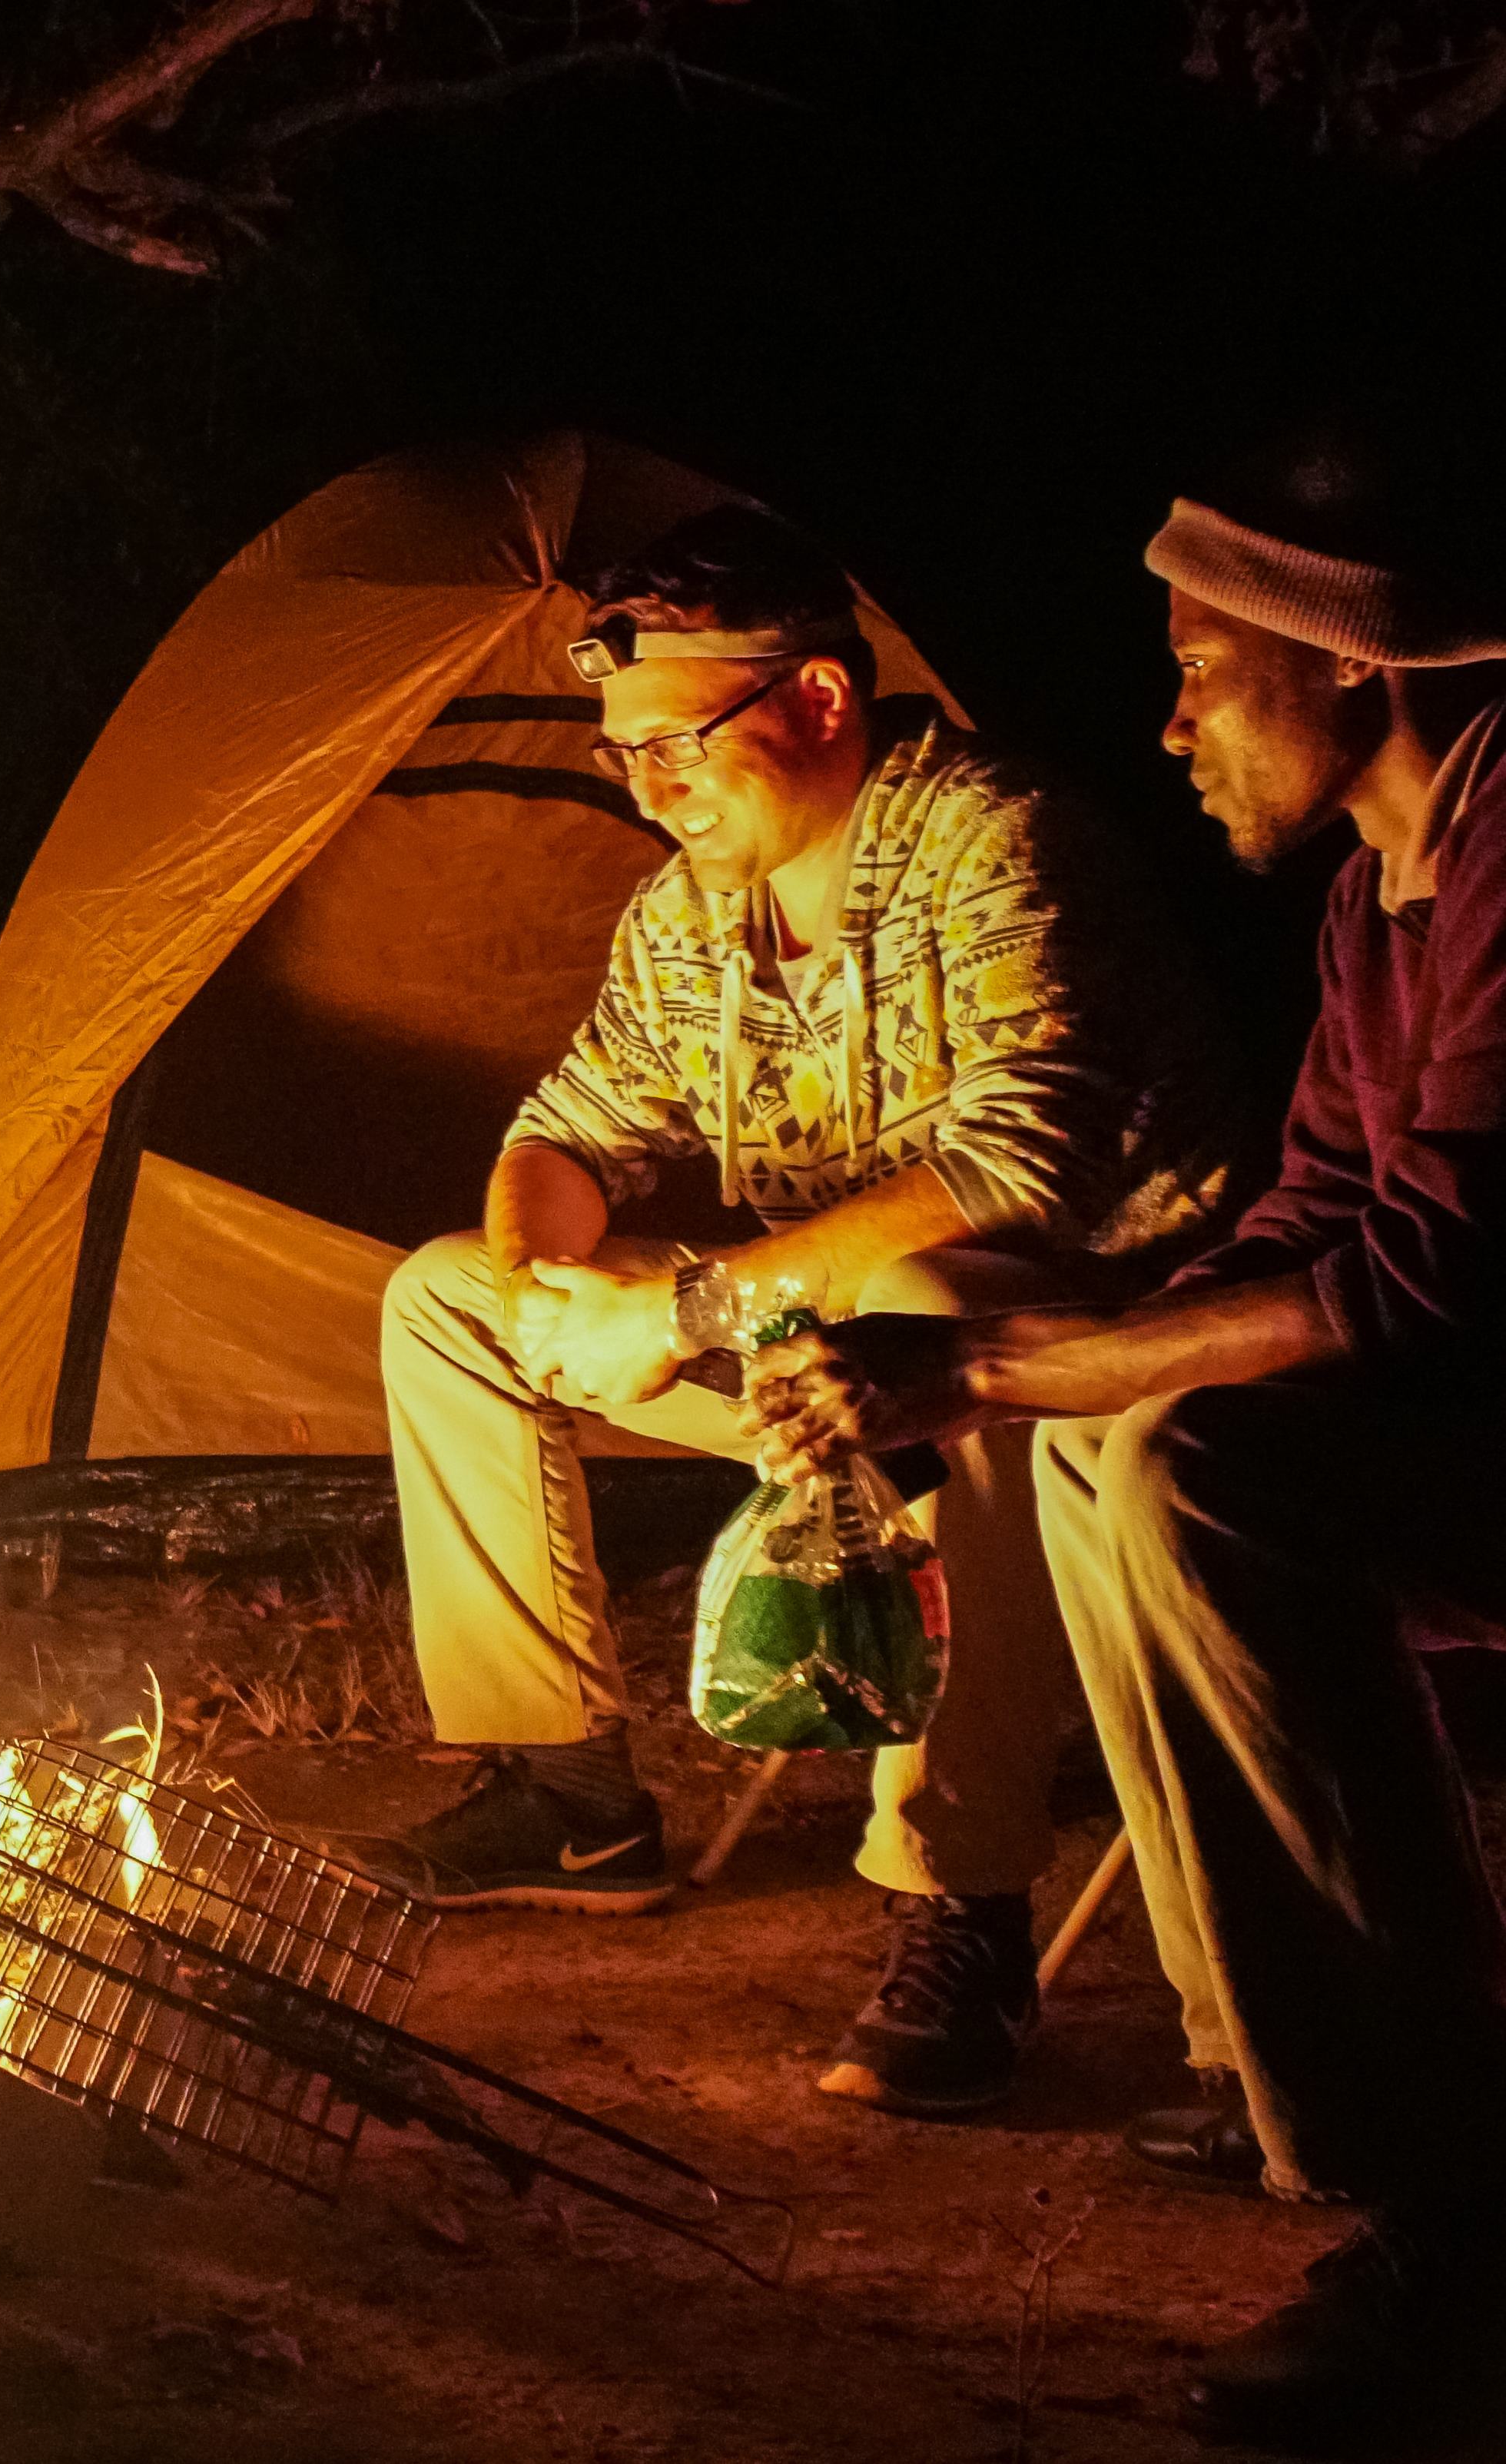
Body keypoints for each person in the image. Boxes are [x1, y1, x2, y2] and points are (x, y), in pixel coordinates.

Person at [748, 430, 1506, 2443]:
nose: (1164, 723)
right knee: (1126, 1435)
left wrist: (993, 1371)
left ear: (1348, 662)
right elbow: (1308, 1221)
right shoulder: (1375, 902)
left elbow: (1422, 1280)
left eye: (1198, 668)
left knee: (1187, 1462)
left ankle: (1456, 2190)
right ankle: (1271, 2063)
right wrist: (1088, 1357)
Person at [369, 502, 1236, 2121]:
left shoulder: (992, 837)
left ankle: (953, 1904)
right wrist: (537, 1282)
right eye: (621, 748)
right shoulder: (695, 910)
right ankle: (569, 1791)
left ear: (819, 700)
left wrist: (687, 1299)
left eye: (677, 740)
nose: (648, 781)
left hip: (1094, 1372)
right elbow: (566, 1132)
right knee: (440, 1304)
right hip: (829, 1372)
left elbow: (1010, 1169)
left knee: (918, 1305)